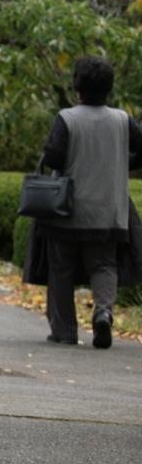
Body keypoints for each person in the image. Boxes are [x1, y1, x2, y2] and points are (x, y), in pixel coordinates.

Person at [34, 55, 142, 349]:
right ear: (109, 89)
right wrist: (124, 161)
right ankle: (103, 312)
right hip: (109, 210)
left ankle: (65, 330)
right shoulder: (123, 120)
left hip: (67, 209)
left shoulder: (67, 119)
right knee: (105, 264)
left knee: (61, 268)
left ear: (77, 88)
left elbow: (54, 157)